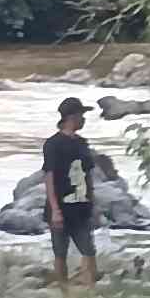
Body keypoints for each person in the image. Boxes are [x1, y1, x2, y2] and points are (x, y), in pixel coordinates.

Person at [39, 96, 103, 287]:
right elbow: (49, 176)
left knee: (89, 250)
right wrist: (55, 210)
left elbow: (88, 174)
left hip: (81, 206)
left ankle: (90, 290)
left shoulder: (82, 143)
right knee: (60, 253)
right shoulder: (53, 144)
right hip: (61, 206)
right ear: (71, 117)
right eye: (82, 115)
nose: (84, 119)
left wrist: (93, 203)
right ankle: (64, 292)